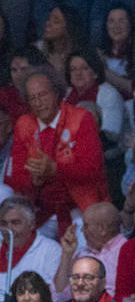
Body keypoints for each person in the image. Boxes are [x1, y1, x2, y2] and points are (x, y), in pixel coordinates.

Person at [5, 70, 107, 236]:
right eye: (32, 98)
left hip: (80, 207)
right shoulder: (24, 124)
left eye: (43, 95)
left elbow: (92, 169)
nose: (38, 103)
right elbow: (17, 178)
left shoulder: (81, 118)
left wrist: (55, 169)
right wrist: (34, 180)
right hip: (40, 210)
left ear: (56, 92)